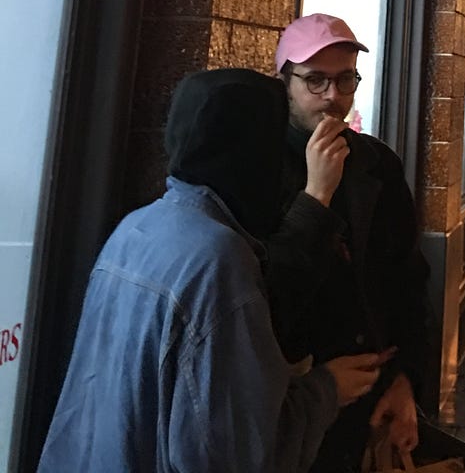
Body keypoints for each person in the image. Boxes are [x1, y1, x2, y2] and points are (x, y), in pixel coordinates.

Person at [38, 68, 385, 473]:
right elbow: (235, 450)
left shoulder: (136, 227)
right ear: (253, 151)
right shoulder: (218, 258)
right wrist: (327, 389)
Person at [268, 13, 430, 473]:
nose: (332, 97)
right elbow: (268, 292)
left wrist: (405, 380)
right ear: (285, 83)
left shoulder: (377, 163)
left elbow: (407, 280)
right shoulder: (259, 172)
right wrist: (315, 195)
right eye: (315, 81)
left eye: (345, 80)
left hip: (372, 394)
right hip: (293, 403)